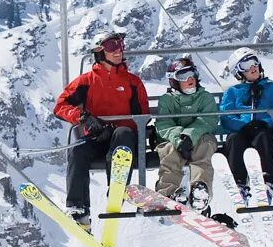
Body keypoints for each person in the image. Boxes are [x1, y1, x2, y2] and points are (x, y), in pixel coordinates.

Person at [53, 29, 150, 229]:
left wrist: (116, 126)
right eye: (112, 46)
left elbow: (142, 116)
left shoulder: (132, 83)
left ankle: (116, 188)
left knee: (123, 134)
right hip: (96, 138)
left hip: (122, 140)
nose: (118, 51)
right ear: (99, 51)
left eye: (120, 46)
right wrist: (83, 117)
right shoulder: (86, 82)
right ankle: (78, 208)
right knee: (78, 150)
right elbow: (60, 107)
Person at [154, 56, 221, 213]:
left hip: (199, 139)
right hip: (173, 141)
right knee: (169, 152)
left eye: (192, 74)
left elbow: (208, 119)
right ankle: (168, 192)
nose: (190, 79)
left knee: (205, 148)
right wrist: (179, 139)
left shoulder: (205, 97)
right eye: (183, 76)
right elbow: (164, 124)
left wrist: (189, 136)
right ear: (174, 81)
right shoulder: (167, 100)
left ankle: (200, 190)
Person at [218, 47, 273, 206]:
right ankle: (239, 185)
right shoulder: (233, 92)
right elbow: (227, 117)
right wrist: (244, 126)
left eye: (254, 62)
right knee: (234, 139)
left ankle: (267, 183)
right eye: (246, 65)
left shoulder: (271, 88)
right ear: (238, 72)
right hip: (241, 133)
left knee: (263, 137)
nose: (252, 67)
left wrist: (263, 123)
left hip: (263, 131)